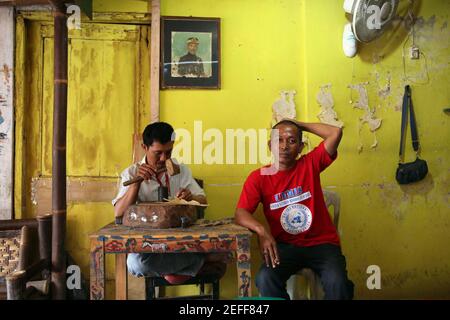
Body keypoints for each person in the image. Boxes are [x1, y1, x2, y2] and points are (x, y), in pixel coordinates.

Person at [234, 119, 354, 299]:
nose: (284, 146)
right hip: (285, 246)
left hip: (322, 244)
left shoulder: (309, 164)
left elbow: (335, 132)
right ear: (270, 145)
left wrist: (297, 124)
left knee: (338, 284)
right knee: (265, 279)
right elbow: (240, 212)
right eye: (278, 140)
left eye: (291, 140)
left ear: (300, 147)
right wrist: (261, 231)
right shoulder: (258, 177)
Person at [113, 122, 224, 284]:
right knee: (135, 264)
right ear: (144, 147)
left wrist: (190, 197)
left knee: (172, 270)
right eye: (157, 153)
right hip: (147, 247)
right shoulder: (131, 173)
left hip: (180, 244)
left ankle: (176, 270)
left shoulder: (180, 170)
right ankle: (202, 260)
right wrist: (136, 185)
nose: (164, 158)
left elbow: (203, 200)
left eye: (168, 152)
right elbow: (118, 213)